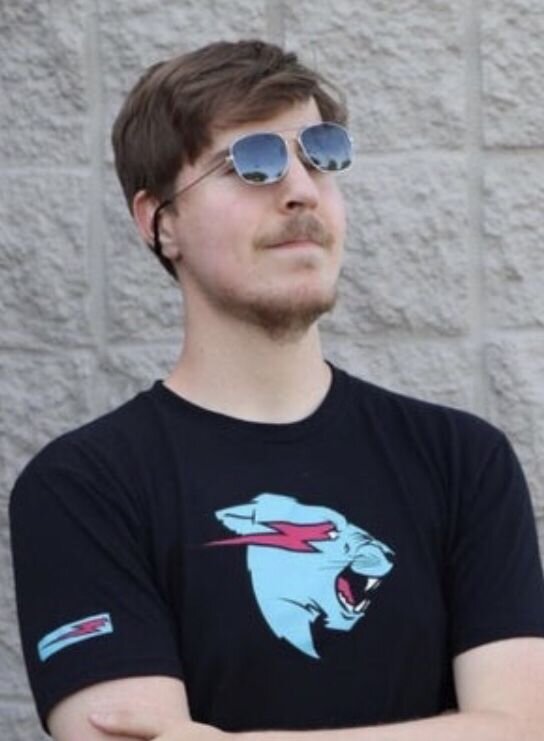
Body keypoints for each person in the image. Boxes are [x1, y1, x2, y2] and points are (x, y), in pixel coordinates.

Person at [9, 39, 544, 741]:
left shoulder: (461, 459)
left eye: (321, 155)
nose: (301, 189)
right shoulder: (83, 488)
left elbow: (525, 727)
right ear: (160, 222)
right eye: (251, 163)